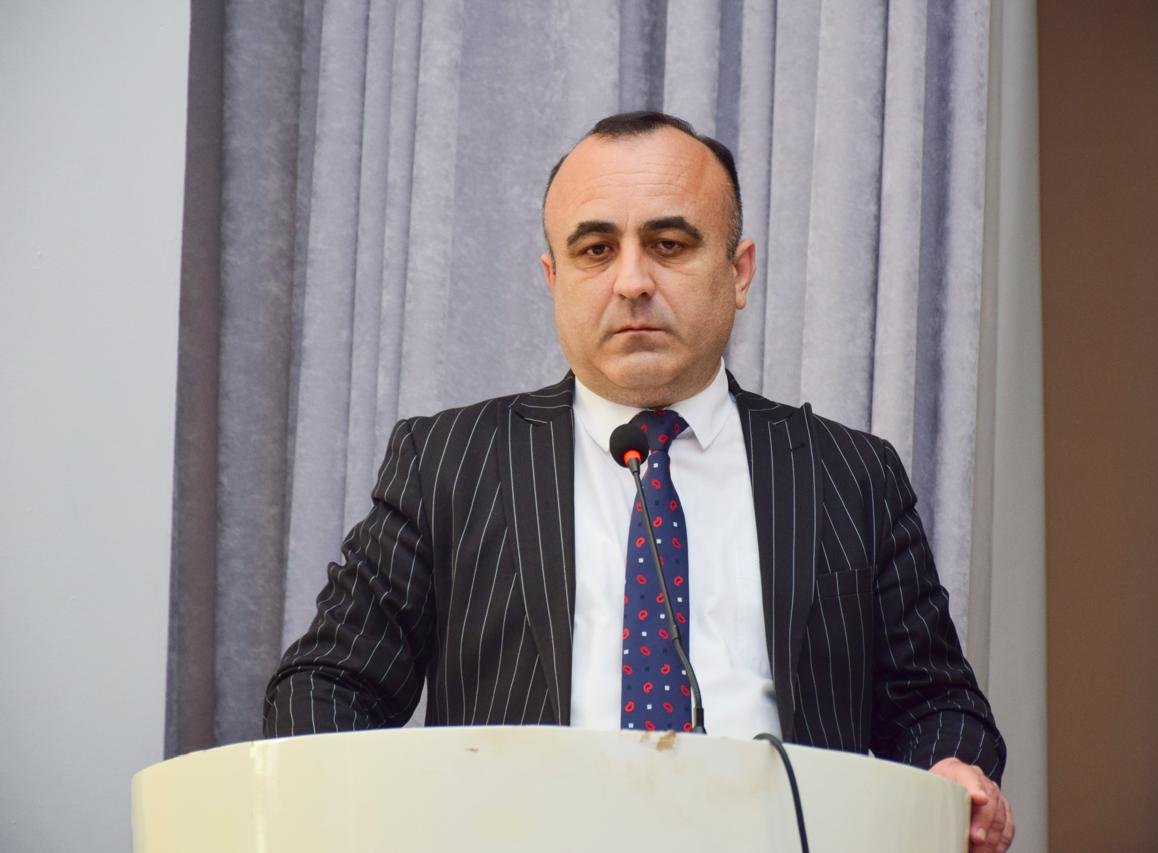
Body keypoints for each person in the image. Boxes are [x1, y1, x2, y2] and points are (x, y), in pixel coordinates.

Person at [264, 112, 1013, 852]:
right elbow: (326, 685)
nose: (631, 282)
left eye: (669, 244)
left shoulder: (849, 474)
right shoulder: (448, 463)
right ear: (554, 278)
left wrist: (952, 771)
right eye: (596, 250)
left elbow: (936, 705)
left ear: (738, 270)